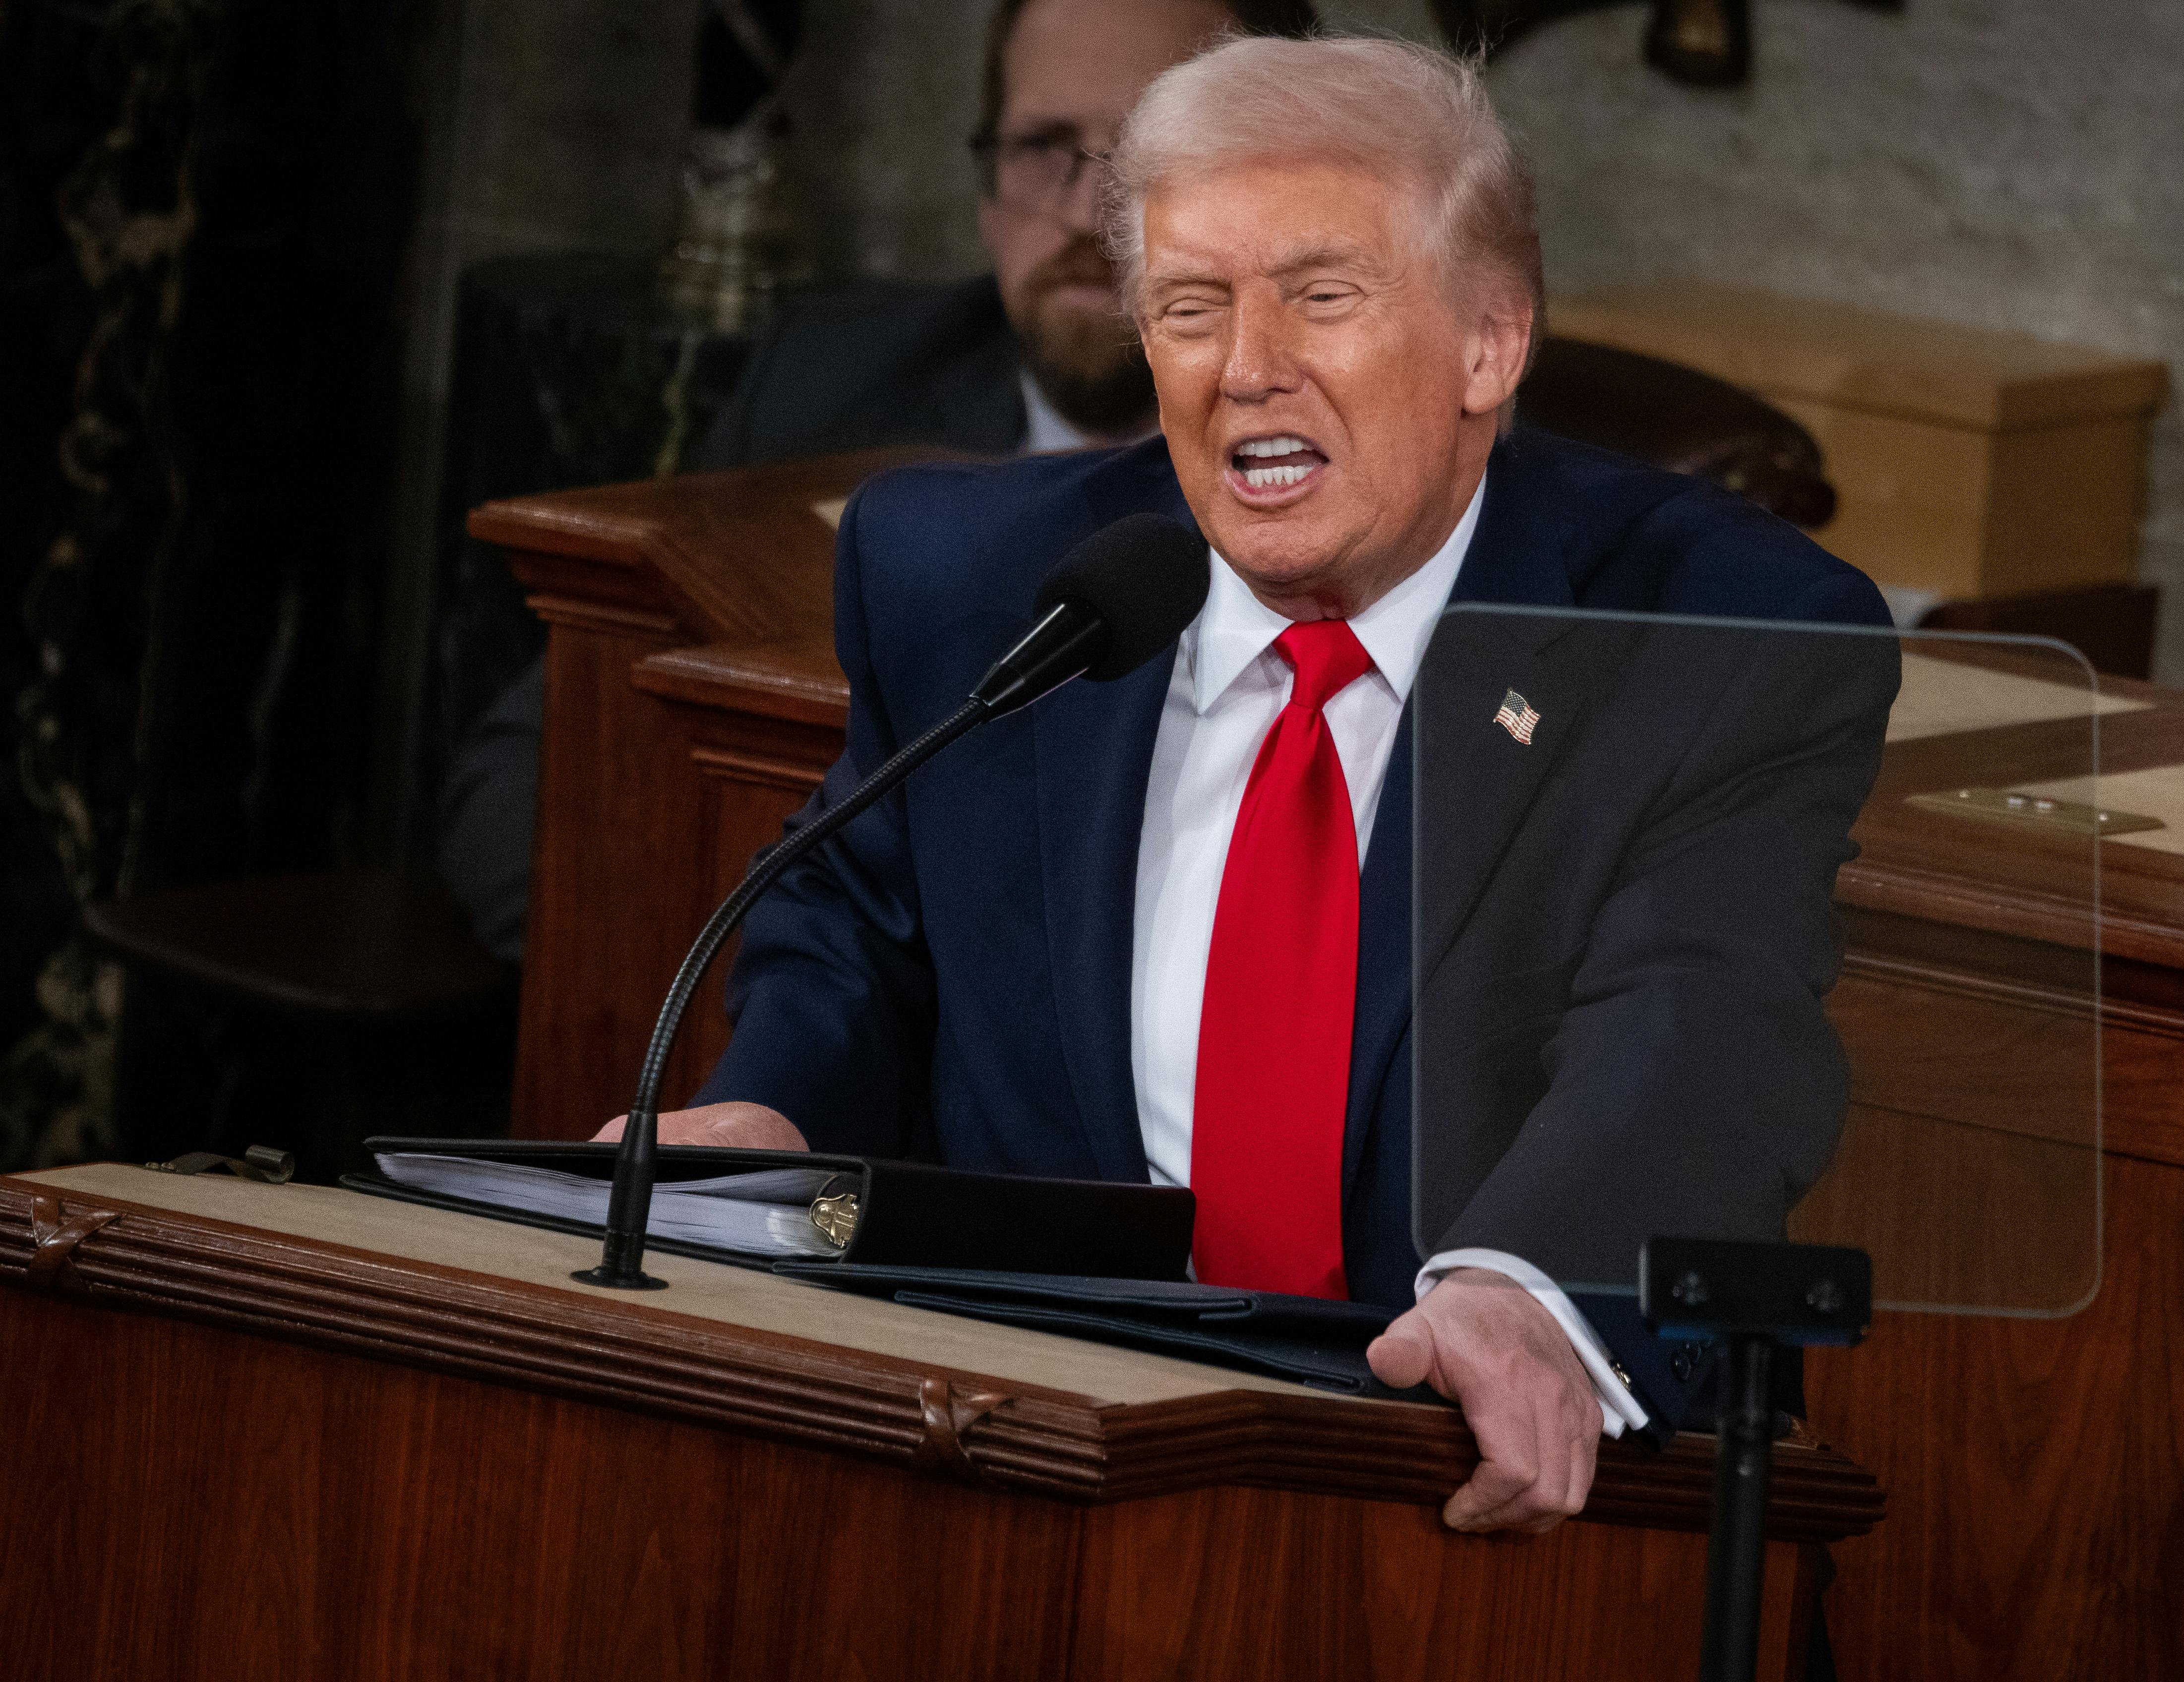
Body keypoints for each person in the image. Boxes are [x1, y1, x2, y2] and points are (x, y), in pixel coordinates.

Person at [609, 36, 1898, 1535]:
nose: (1247, 368)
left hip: (1464, 1492)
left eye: (1321, 296)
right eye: (1190, 308)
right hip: (1031, 1473)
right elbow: (856, 920)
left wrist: (1526, 1291)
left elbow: (1702, 1015)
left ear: (1491, 341)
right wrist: (770, 1109)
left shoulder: (1711, 632)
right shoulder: (978, 586)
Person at [436, 0, 1317, 961]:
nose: (1084, 210)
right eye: (1041, 147)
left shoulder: (1357, 479)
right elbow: (525, 771)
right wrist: (748, 1020)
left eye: (1151, 158)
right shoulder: (828, 391)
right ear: (985, 185)